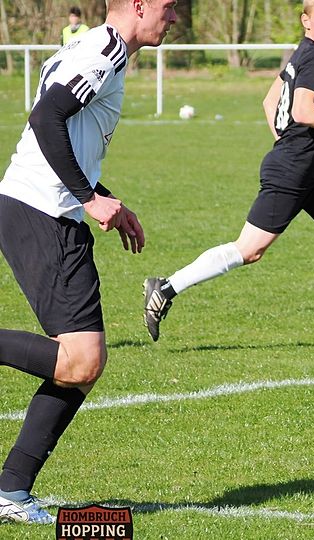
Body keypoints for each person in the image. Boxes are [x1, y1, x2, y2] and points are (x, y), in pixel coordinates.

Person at [0, 0, 176, 524]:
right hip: (44, 212)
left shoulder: (96, 47)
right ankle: (10, 491)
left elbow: (63, 135)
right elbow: (45, 119)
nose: (173, 18)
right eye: (168, 7)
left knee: (82, 364)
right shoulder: (103, 51)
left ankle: (11, 490)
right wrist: (89, 197)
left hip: (41, 207)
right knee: (81, 361)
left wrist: (102, 195)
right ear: (139, 6)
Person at [143, 0, 314, 341]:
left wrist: (285, 141)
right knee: (249, 249)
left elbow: (270, 100)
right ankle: (165, 288)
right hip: (292, 171)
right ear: (306, 20)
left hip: (303, 166)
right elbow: (302, 111)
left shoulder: (304, 53)